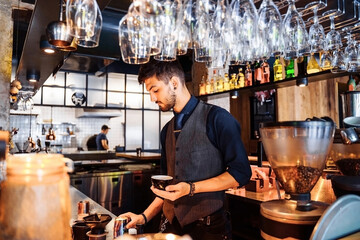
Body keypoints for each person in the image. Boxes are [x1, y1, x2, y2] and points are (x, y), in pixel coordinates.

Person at [119, 59, 251, 240]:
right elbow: (166, 189)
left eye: (155, 90)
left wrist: (191, 188)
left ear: (174, 83)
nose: (152, 98)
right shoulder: (166, 130)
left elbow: (241, 174)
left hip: (208, 229)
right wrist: (144, 217)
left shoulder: (218, 119)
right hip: (169, 227)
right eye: (149, 92)